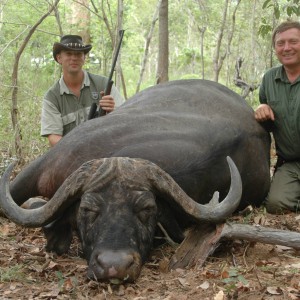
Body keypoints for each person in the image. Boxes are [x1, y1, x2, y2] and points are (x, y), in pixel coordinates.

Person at [41, 35, 124, 146]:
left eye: (78, 54)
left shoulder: (104, 84)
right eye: (69, 54)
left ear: (84, 58)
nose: (74, 58)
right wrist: (79, 147)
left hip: (107, 149)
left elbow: (124, 121)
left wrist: (113, 111)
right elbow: (53, 137)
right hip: (71, 154)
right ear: (59, 58)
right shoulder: (52, 97)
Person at [254, 21, 300, 214]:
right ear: (275, 49)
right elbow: (266, 114)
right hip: (290, 162)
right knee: (275, 204)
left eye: (293, 42)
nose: (287, 48)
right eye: (281, 43)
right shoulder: (269, 79)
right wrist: (261, 107)